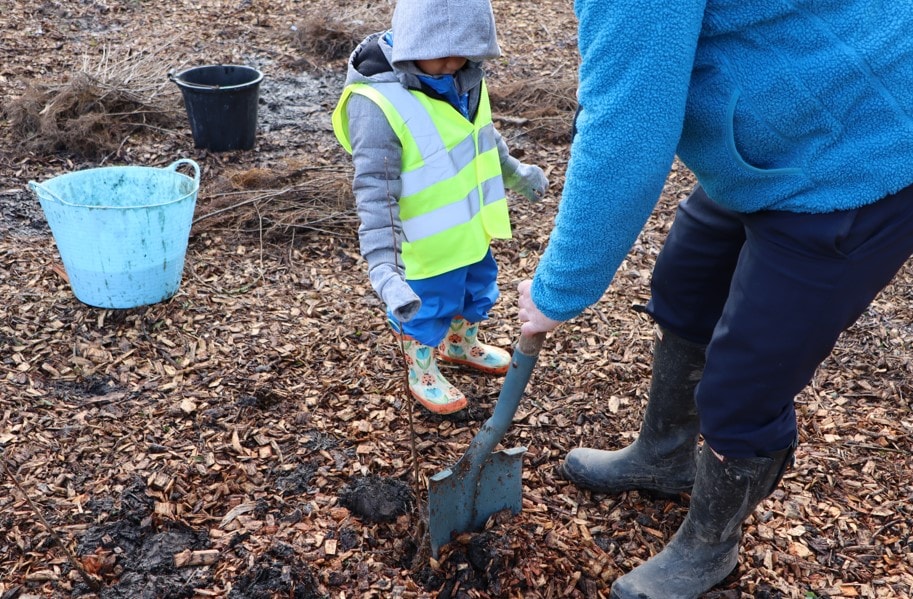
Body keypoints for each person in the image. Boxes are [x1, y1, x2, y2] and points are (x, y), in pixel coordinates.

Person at [517, 2, 913, 598]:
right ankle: (663, 455)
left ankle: (709, 546)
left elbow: (627, 129)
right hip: (783, 127)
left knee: (744, 387)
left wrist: (558, 290)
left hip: (860, 153)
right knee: (687, 288)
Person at [332, 0, 548, 415]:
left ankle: (460, 343)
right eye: (441, 51)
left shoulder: (463, 77)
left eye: (464, 50)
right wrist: (384, 267)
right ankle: (422, 368)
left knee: (476, 290)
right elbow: (375, 192)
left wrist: (516, 174)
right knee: (427, 309)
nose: (453, 61)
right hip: (424, 248)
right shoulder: (377, 106)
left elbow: (481, 136)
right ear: (412, 41)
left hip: (470, 230)